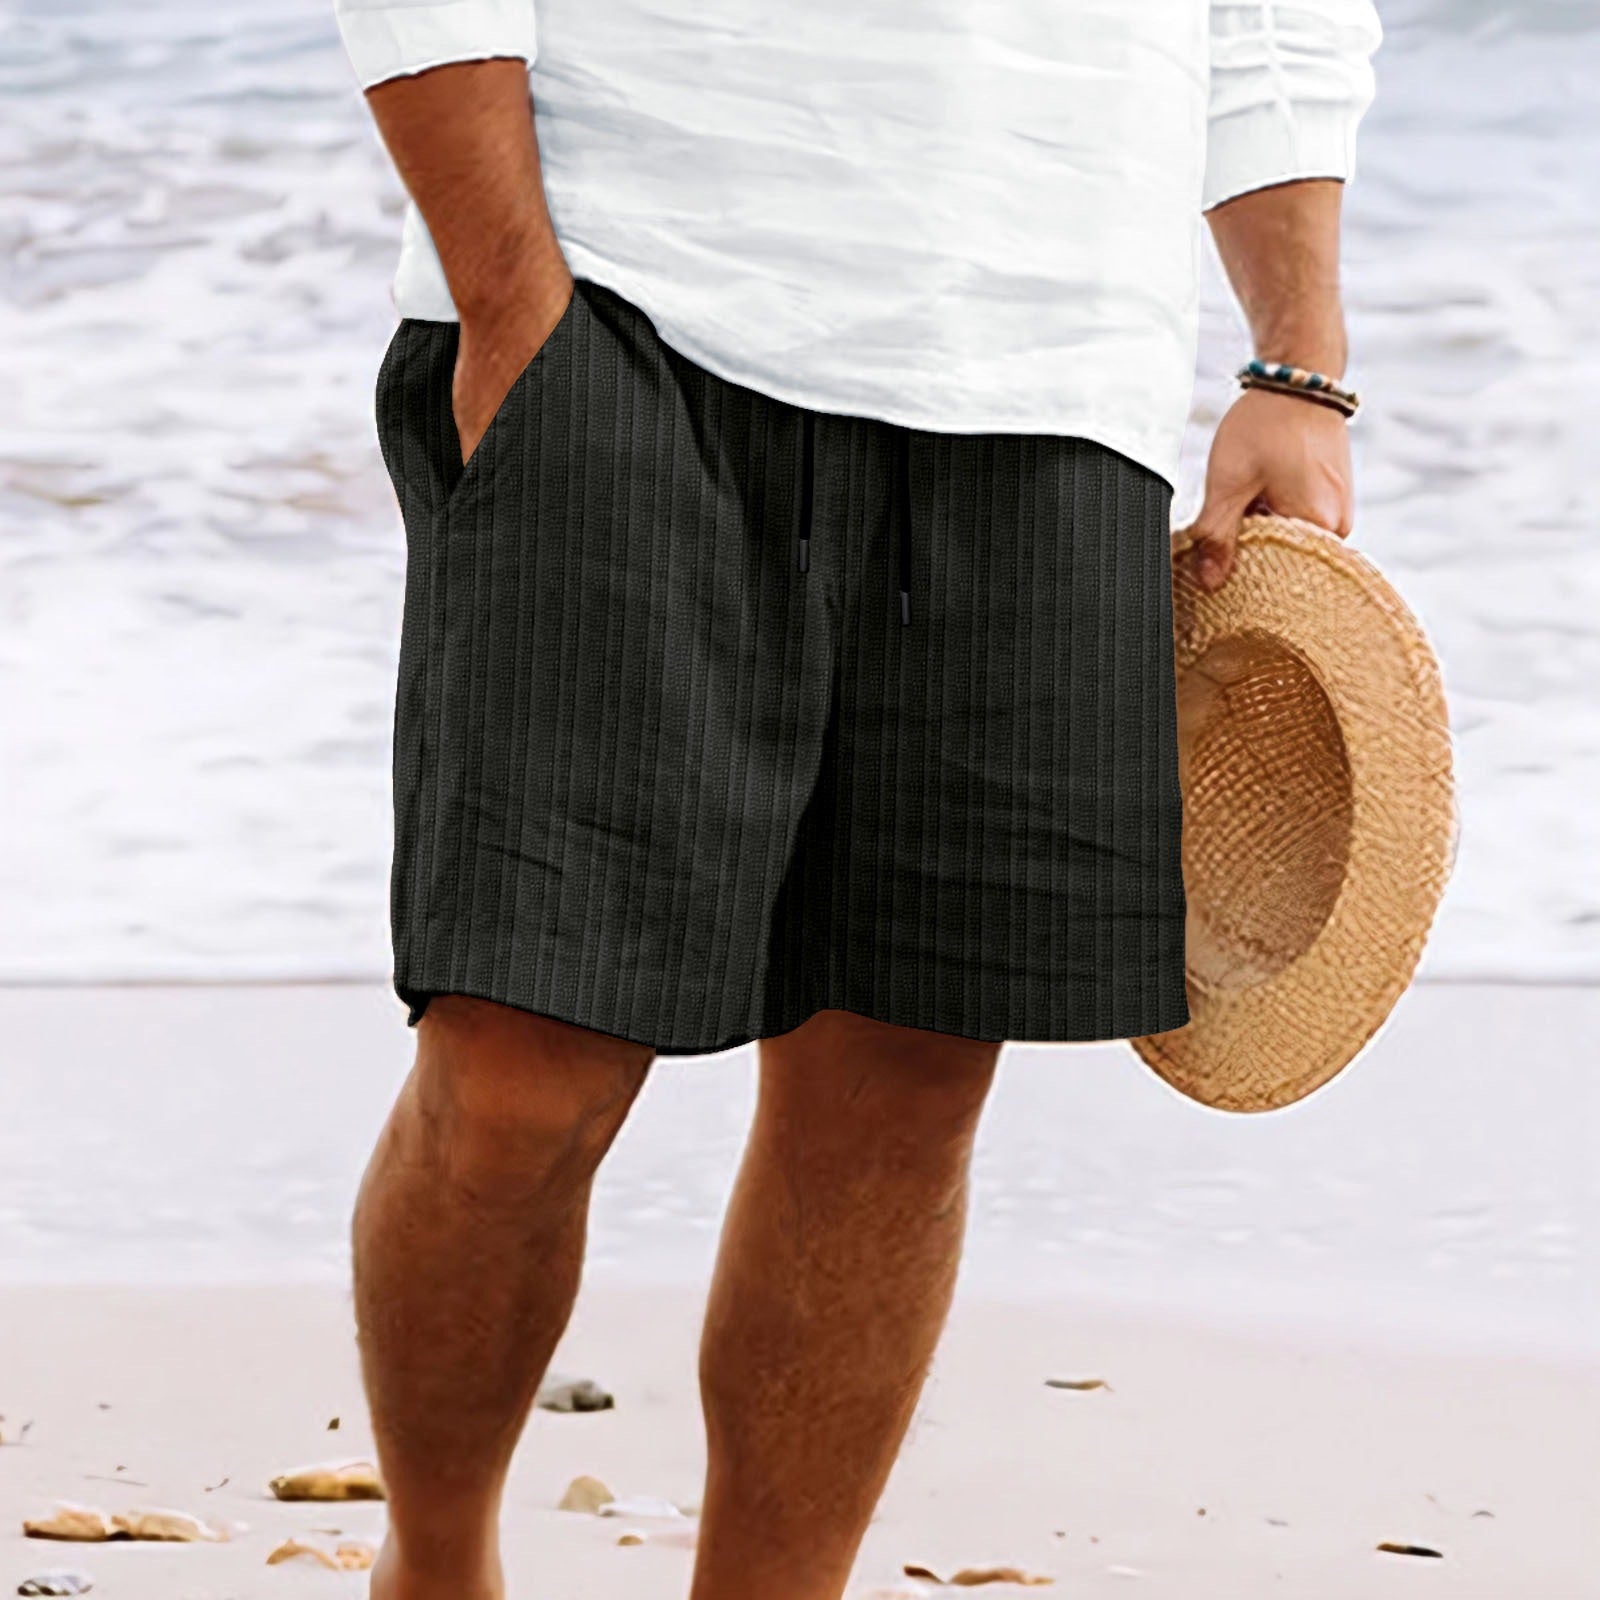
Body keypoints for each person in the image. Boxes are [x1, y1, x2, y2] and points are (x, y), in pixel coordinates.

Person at [332, 1, 1381, 1595]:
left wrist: (1297, 362)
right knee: (522, 1063)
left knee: (902, 1084)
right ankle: (436, 1568)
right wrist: (506, 296)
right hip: (630, 299)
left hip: (1053, 367)